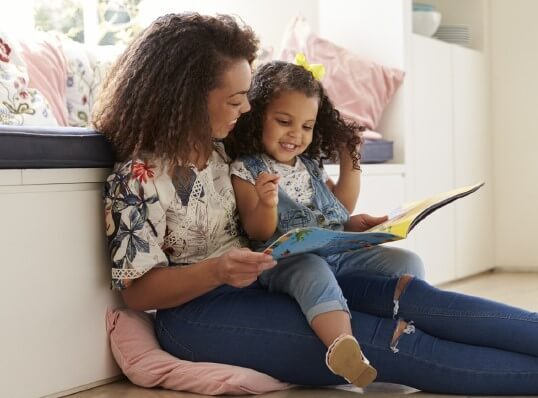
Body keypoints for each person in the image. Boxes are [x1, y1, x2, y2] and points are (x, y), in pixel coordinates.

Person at [94, 12, 538, 395]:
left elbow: (289, 202)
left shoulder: (224, 153)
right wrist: (216, 269)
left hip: (272, 280)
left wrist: (344, 229)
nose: (246, 108)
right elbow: (137, 290)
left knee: (414, 298)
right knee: (391, 341)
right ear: (186, 98)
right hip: (198, 316)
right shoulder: (136, 179)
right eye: (234, 99)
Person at [226, 58, 384, 387]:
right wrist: (267, 203)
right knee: (311, 269)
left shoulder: (309, 165)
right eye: (284, 121)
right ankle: (343, 347)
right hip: (283, 262)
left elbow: (336, 208)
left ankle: (387, 310)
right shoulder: (247, 168)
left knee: (403, 260)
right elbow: (258, 231)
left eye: (307, 127)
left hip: (332, 253)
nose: (296, 135)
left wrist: (350, 163)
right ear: (257, 117)